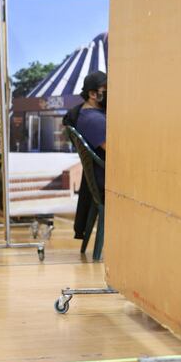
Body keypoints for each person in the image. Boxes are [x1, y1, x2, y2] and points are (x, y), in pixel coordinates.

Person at [67, 71, 107, 242]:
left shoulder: (86, 114)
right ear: (92, 94)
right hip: (106, 182)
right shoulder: (94, 120)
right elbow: (116, 151)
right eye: (106, 90)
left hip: (99, 179)